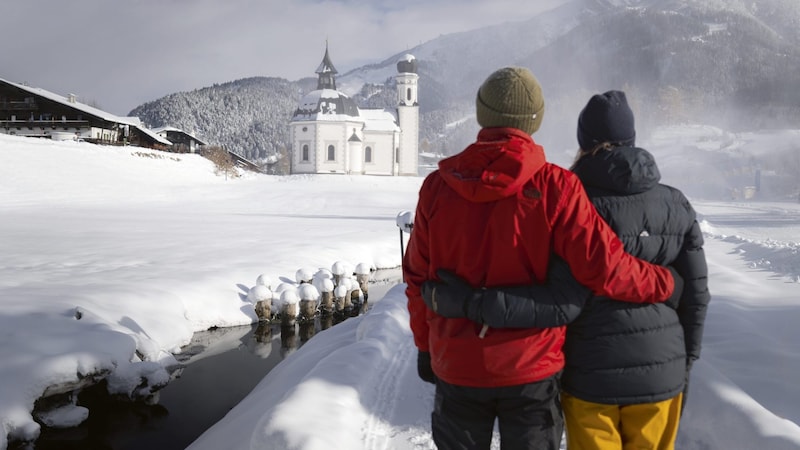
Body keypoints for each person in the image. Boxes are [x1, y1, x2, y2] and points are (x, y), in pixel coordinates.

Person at [402, 68, 681, 450]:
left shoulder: (437, 187)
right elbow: (604, 267)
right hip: (531, 369)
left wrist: (424, 345)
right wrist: (666, 282)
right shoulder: (557, 186)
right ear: (534, 120)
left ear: (484, 115)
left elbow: (416, 277)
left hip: (457, 364)